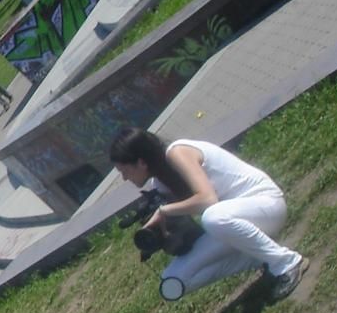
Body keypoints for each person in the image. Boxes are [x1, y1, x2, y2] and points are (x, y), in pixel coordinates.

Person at [109, 127, 306, 302]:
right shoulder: (160, 182)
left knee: (212, 217)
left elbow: (207, 200)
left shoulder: (178, 152)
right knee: (172, 281)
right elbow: (187, 225)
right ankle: (261, 257)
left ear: (141, 162)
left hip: (265, 205)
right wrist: (159, 233)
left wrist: (165, 210)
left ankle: (287, 263)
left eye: (124, 170)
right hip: (234, 224)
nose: (124, 178)